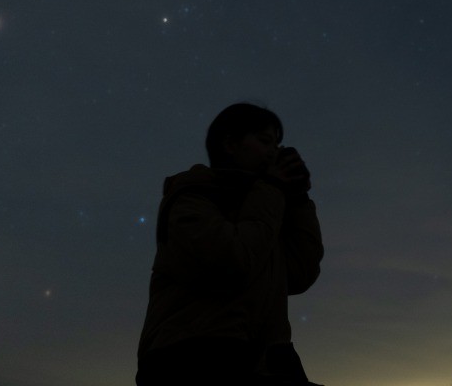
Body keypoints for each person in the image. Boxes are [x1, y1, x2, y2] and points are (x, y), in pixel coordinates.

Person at [136, 103, 324, 385]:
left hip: (263, 360)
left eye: (276, 144)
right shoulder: (192, 198)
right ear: (230, 144)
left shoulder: (264, 205)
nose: (274, 152)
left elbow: (299, 274)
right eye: (264, 141)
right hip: (194, 358)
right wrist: (272, 189)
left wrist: (298, 200)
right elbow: (232, 260)